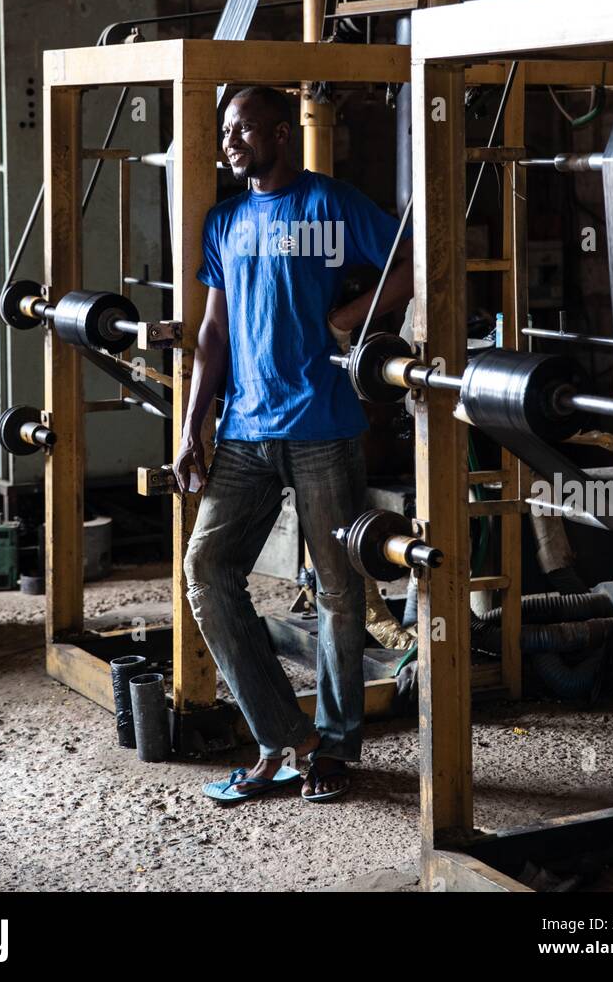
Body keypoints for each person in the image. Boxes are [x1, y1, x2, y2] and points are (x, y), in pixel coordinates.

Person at [174, 85, 412, 803]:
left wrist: (352, 310)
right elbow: (213, 333)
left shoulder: (331, 205)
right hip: (245, 430)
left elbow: (415, 258)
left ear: (283, 133)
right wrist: (194, 422)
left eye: (243, 130)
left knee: (341, 592)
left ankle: (334, 750)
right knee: (207, 571)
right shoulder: (225, 220)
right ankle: (287, 736)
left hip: (324, 427)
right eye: (223, 131)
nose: (229, 142)